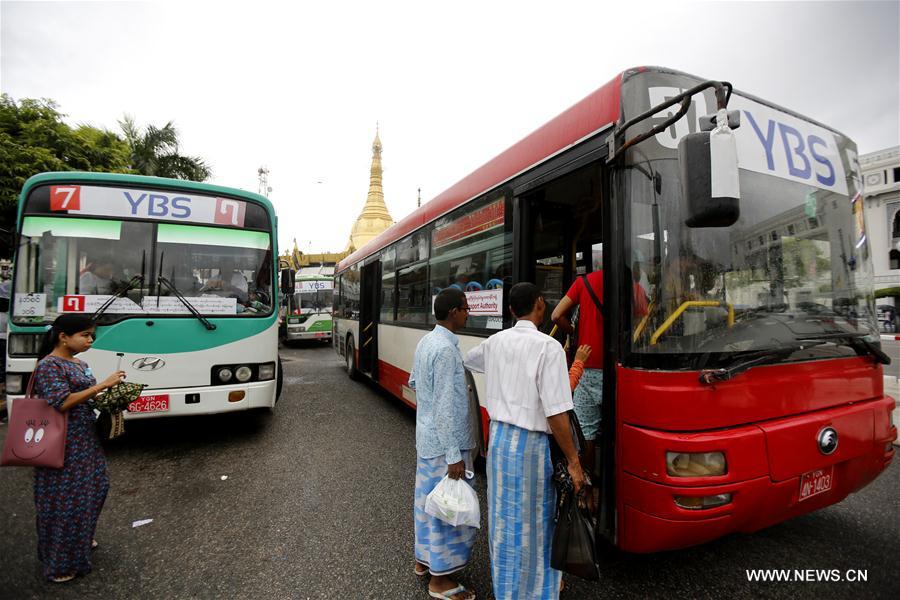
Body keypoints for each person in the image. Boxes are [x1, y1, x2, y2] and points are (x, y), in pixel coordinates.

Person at [464, 282, 585, 600]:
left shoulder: (495, 343)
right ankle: (537, 591)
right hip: (530, 448)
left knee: (505, 521)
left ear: (510, 311)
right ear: (541, 305)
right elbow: (557, 414)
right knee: (536, 523)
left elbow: (469, 361)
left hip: (500, 443)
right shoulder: (549, 348)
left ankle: (507, 589)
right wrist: (574, 461)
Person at [30, 314, 125, 582]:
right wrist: (102, 385)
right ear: (63, 337)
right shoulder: (49, 366)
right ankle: (61, 563)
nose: (90, 340)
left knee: (95, 488)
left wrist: (113, 399)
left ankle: (80, 539)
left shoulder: (79, 363)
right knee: (65, 502)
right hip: (61, 441)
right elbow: (60, 402)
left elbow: (87, 397)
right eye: (85, 335)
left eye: (91, 335)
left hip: (85, 438)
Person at [409, 288, 478, 600]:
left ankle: (423, 562)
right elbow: (446, 408)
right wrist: (454, 455)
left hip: (426, 441)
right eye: (465, 308)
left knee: (427, 505)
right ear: (453, 312)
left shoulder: (426, 341)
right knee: (449, 511)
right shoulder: (447, 350)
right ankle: (441, 581)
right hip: (444, 448)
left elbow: (414, 382)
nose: (467, 313)